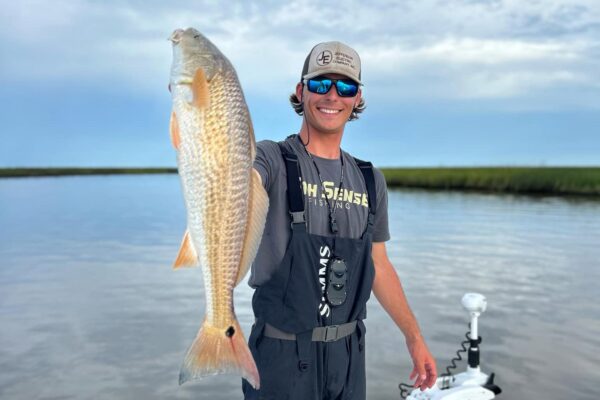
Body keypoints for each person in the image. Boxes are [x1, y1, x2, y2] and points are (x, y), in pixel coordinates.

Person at [243, 41, 437, 400]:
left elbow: (379, 265)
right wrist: (200, 110)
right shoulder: (271, 160)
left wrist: (414, 337)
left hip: (348, 357)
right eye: (320, 84)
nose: (332, 96)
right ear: (301, 91)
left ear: (357, 98)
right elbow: (232, 181)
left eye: (344, 86)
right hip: (280, 356)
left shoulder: (369, 178)